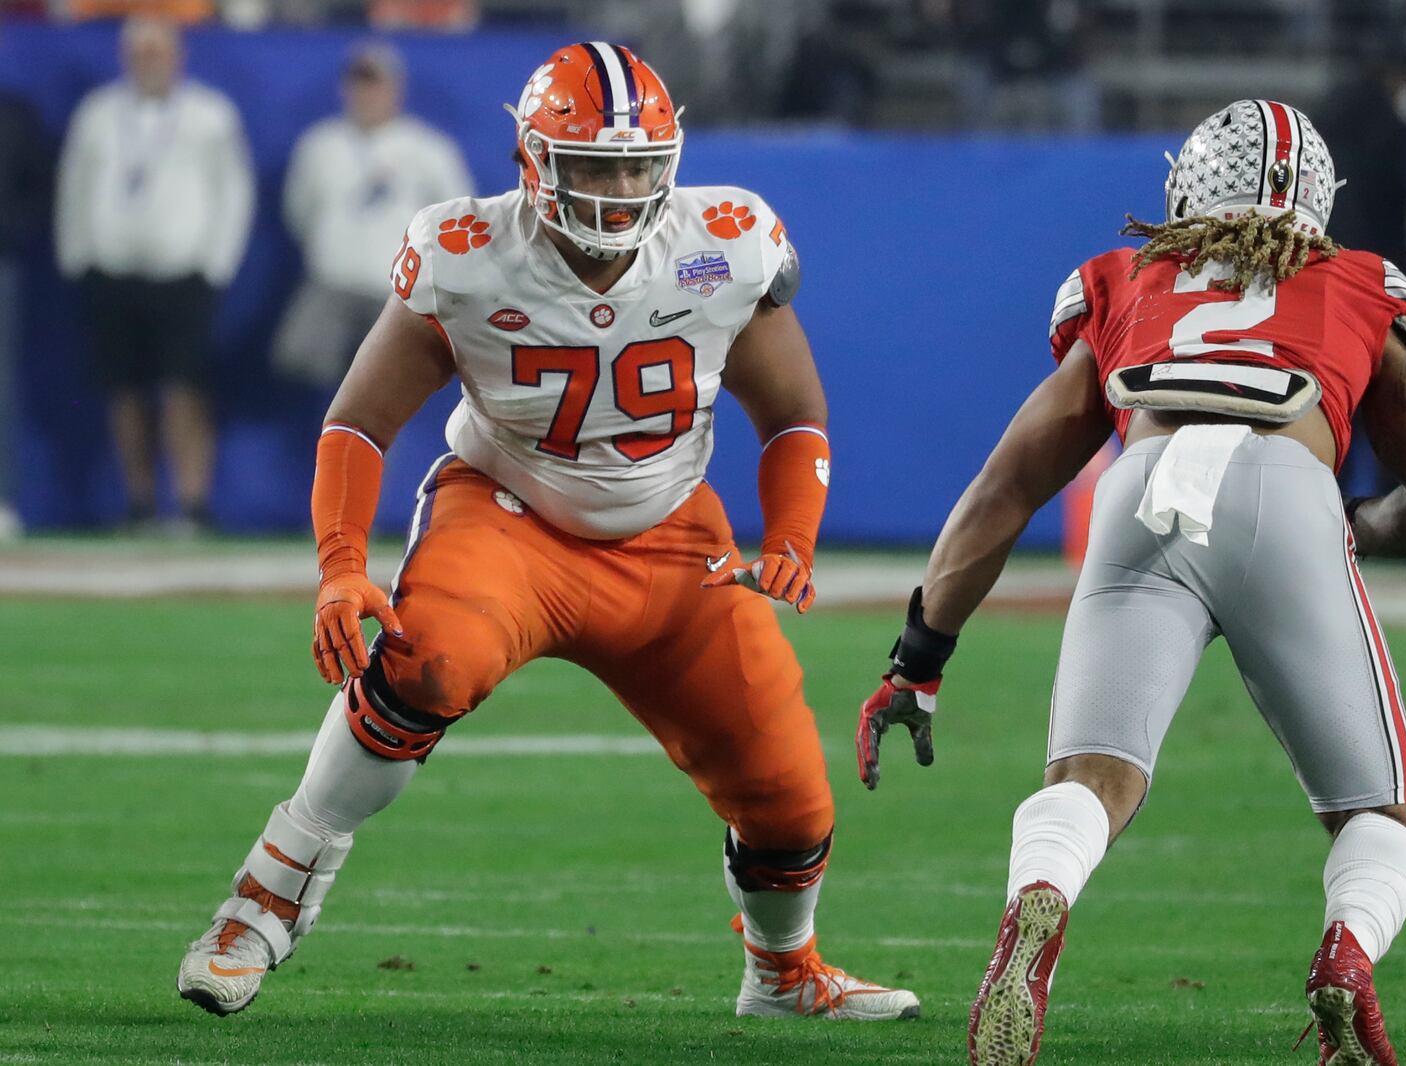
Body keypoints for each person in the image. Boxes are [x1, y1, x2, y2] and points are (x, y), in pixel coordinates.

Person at [176, 41, 918, 1024]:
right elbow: (359, 419)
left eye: (635, 163)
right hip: (508, 519)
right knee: (426, 662)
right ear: (533, 160)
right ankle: (262, 901)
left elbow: (794, 416)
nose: (617, 190)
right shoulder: (468, 256)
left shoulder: (724, 243)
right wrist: (340, 568)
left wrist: (791, 533)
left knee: (788, 794)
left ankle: (783, 975)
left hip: (672, 543)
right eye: (592, 165)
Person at [857, 101, 1406, 1066]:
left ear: (1187, 184)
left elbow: (1006, 486)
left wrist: (918, 660)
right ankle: (1347, 954)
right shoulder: (1356, 284)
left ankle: (1044, 896)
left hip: (1142, 489)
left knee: (1089, 778)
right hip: (1287, 489)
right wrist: (1350, 533)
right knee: (1375, 814)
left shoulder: (1127, 276)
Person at [55, 17, 254, 531]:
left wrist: (216, 262)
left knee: (183, 387)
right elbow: (75, 186)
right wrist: (78, 255)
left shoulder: (209, 114)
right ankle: (140, 504)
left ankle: (191, 503)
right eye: (139, 52)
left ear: (177, 57)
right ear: (126, 57)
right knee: (122, 391)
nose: (148, 61)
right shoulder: (99, 113)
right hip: (112, 270)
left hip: (182, 272)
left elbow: (233, 190)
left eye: (157, 52)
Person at [274, 42, 472, 397]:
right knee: (301, 364)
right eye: (359, 83)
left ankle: (372, 451)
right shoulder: (320, 145)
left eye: (375, 84)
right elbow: (298, 211)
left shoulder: (428, 149)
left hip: (395, 293)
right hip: (332, 282)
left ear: (396, 88)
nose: (366, 94)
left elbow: (456, 219)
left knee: (384, 392)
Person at [0, 89, 52, 540]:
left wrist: (10, 232)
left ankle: (3, 499)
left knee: (3, 386)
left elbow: (37, 189)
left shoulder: (13, 114)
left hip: (1, 264)